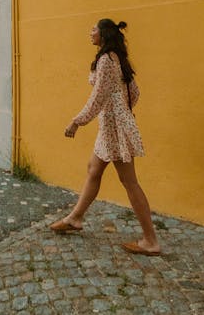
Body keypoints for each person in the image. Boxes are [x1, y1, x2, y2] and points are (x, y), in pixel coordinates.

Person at [50, 18, 161, 256]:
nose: (90, 32)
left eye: (93, 29)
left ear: (103, 34)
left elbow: (97, 98)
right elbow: (135, 92)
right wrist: (121, 109)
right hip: (113, 125)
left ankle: (151, 240)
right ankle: (75, 218)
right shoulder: (116, 58)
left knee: (130, 182)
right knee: (93, 169)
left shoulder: (105, 60)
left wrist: (76, 122)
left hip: (115, 128)